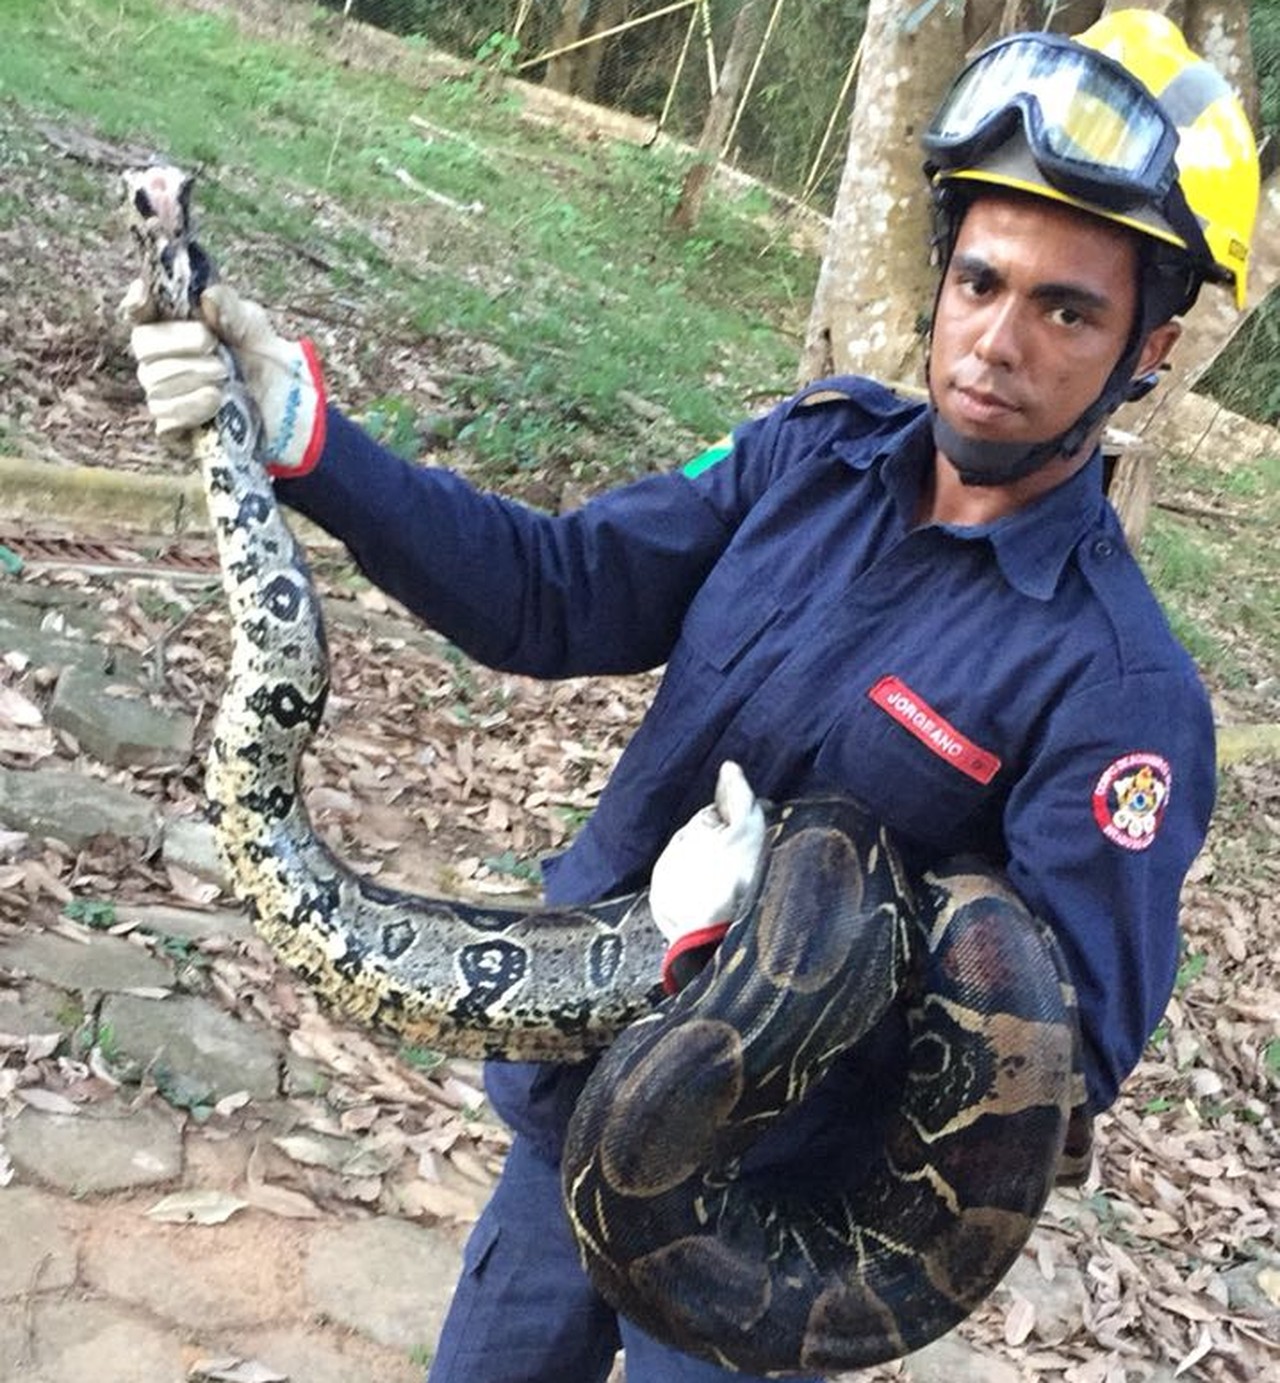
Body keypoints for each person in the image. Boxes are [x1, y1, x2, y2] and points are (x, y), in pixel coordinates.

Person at [127, 10, 1259, 1382]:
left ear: (1149, 348)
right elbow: (558, 591)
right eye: (980, 280)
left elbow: (1055, 1074)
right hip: (572, 1126)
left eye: (1066, 309)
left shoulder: (1119, 688)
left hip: (762, 1239)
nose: (996, 342)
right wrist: (310, 442)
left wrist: (802, 927)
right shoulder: (810, 456)